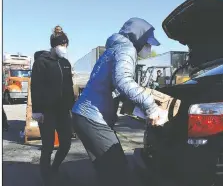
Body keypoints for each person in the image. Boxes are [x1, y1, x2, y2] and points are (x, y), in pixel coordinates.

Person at [71, 17, 162, 186]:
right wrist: (151, 107)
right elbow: (124, 82)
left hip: (83, 116)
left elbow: (113, 85)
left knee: (106, 171)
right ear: (138, 38)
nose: (148, 49)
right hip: (92, 118)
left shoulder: (114, 49)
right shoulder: (127, 49)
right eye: (147, 44)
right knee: (118, 171)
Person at [31, 31, 74, 186]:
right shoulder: (42, 62)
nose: (64, 47)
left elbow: (69, 88)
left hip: (63, 112)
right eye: (62, 45)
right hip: (47, 113)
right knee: (48, 146)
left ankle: (55, 167)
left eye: (66, 44)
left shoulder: (65, 63)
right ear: (54, 45)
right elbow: (35, 86)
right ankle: (46, 177)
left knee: (66, 144)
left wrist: (72, 107)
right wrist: (36, 110)